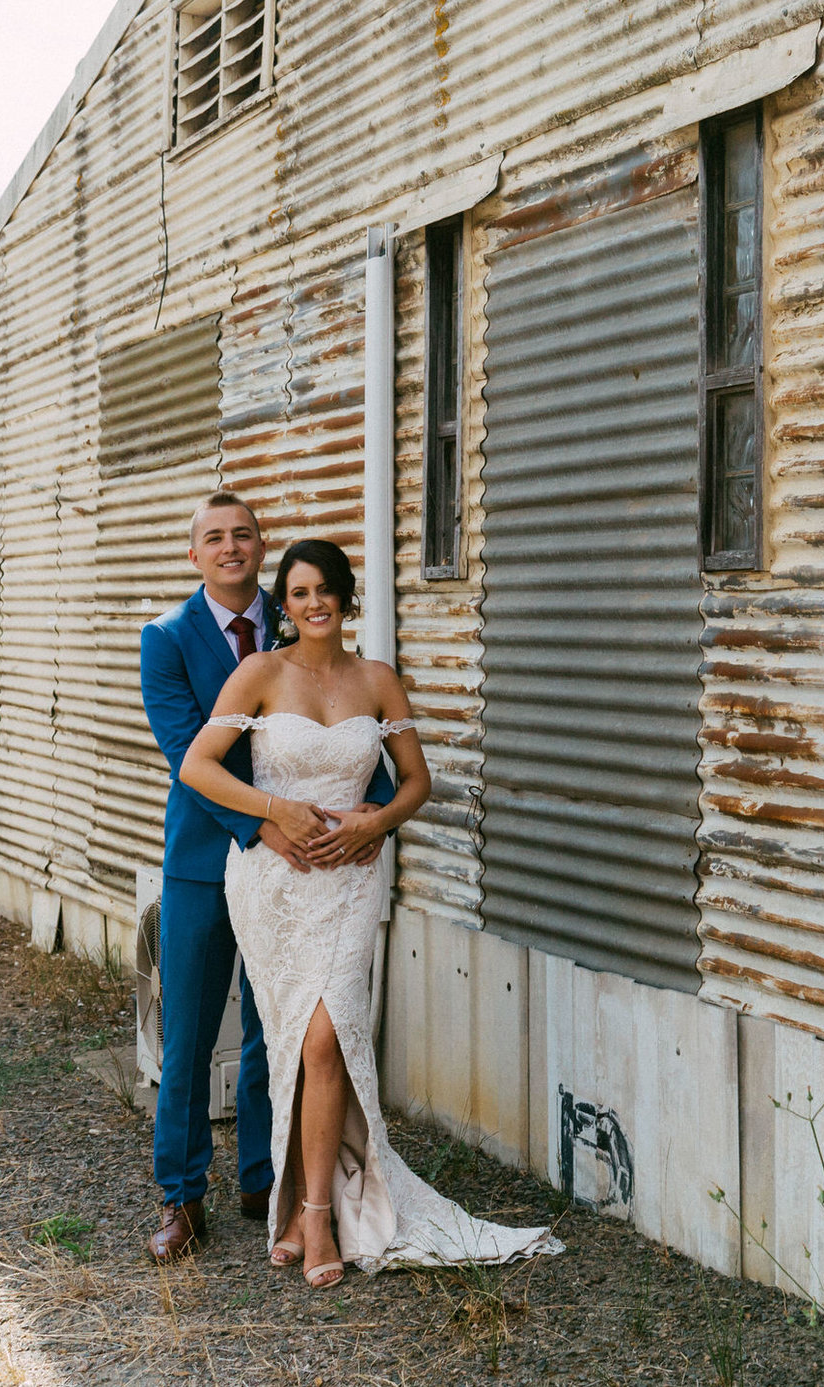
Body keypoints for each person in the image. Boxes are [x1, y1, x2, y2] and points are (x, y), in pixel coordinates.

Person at [178, 538, 562, 1284]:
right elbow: (197, 765)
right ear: (282, 604)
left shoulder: (379, 680)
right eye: (296, 592)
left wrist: (374, 822)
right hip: (273, 883)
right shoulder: (259, 672)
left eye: (324, 589)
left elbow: (416, 781)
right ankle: (293, 1206)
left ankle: (318, 1216)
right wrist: (275, 809)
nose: (312, 602)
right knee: (292, 1039)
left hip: (351, 882)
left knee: (327, 1039)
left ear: (346, 598)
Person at [136, 492, 397, 1263]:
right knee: (186, 1034)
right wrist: (266, 825)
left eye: (242, 534)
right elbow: (189, 755)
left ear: (261, 546)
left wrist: (374, 816)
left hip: (309, 871)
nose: (230, 547)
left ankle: (265, 1176)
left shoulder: (297, 630)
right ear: (195, 554)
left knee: (271, 1028)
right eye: (213, 537)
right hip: (206, 866)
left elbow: (358, 744)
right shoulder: (167, 640)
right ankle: (181, 1196)